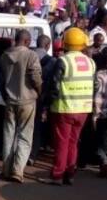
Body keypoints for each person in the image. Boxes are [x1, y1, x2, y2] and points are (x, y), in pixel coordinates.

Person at [40, 27, 96, 185]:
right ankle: (70, 175)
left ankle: (57, 175)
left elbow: (54, 86)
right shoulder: (90, 62)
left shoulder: (63, 61)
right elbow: (95, 85)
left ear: (66, 42)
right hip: (83, 109)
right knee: (73, 142)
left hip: (64, 108)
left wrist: (46, 105)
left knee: (62, 143)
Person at [0, 29, 43, 183]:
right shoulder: (31, 55)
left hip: (10, 100)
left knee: (8, 135)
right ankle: (17, 171)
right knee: (25, 136)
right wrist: (39, 90)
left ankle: (6, 169)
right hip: (28, 100)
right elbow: (35, 76)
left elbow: (2, 79)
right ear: (27, 41)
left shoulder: (4, 56)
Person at [29, 34, 57, 166]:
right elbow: (53, 83)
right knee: (37, 128)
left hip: (26, 95)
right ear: (48, 46)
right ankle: (32, 155)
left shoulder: (28, 56)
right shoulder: (52, 61)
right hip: (41, 98)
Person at [93, 48, 107, 177]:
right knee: (106, 140)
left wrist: (95, 115)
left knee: (99, 141)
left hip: (100, 112)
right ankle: (105, 160)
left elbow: (97, 97)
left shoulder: (98, 76)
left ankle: (104, 162)